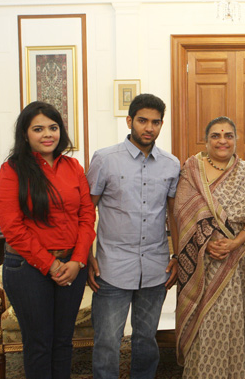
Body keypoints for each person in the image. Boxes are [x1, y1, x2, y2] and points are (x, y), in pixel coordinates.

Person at [0, 101, 96, 379]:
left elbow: (87, 216)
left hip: (73, 265)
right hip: (28, 268)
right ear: (25, 134)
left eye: (53, 127)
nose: (47, 134)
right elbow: (12, 228)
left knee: (63, 341)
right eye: (38, 129)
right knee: (39, 344)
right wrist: (50, 265)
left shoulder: (73, 166)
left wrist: (77, 260)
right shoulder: (12, 170)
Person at [86, 93, 180, 379]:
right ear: (129, 121)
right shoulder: (105, 159)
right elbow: (85, 212)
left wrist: (176, 255)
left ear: (162, 125)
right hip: (111, 266)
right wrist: (86, 256)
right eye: (142, 121)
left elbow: (172, 214)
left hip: (154, 266)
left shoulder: (171, 164)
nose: (148, 127)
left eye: (155, 122)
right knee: (107, 342)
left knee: (146, 340)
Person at [174, 116, 245, 378]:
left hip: (235, 261)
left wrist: (234, 242)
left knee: (230, 324)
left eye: (228, 135)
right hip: (200, 262)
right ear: (206, 140)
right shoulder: (191, 169)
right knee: (201, 323)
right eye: (216, 135)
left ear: (236, 140)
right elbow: (184, 215)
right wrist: (206, 245)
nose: (222, 141)